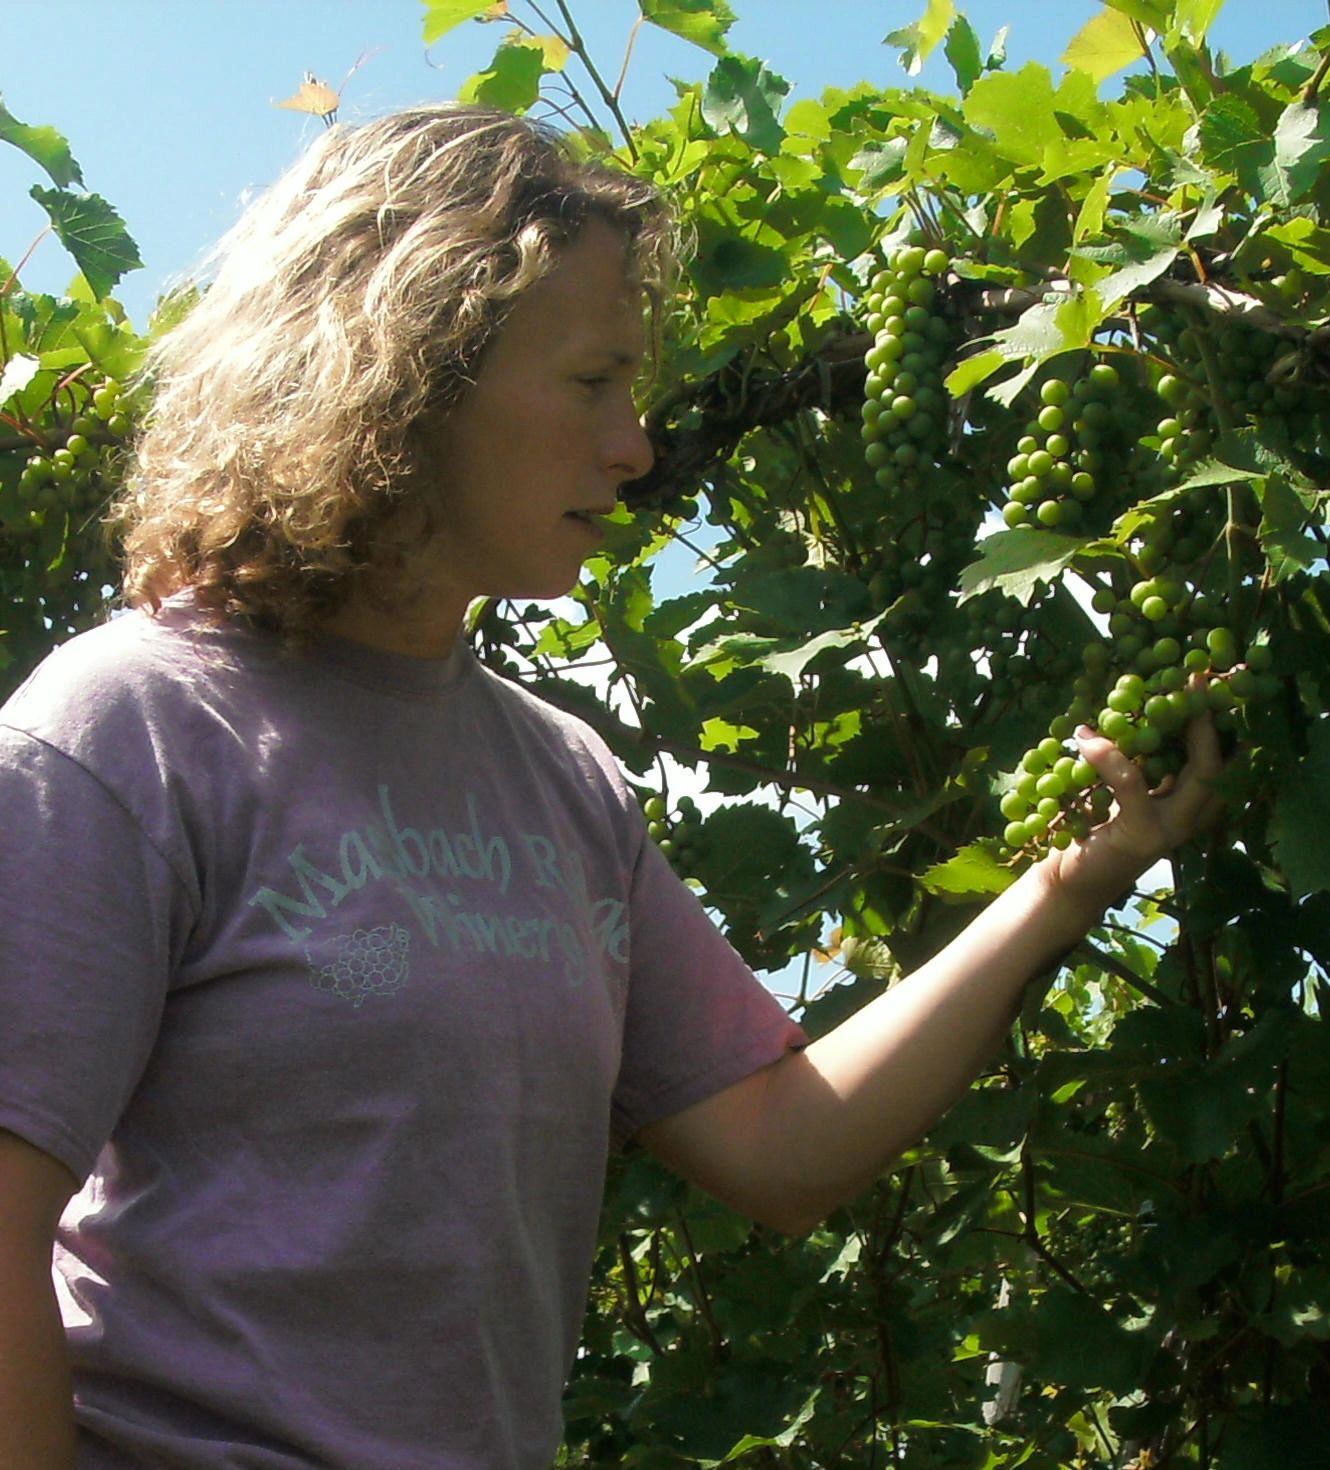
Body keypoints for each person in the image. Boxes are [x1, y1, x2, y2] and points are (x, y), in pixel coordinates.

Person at [0, 105, 1222, 1469]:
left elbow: (781, 1147)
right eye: (593, 381)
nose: (636, 445)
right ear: (401, 377)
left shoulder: (560, 778)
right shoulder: (129, 732)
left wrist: (1074, 882)